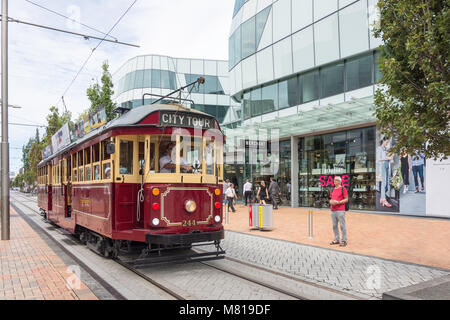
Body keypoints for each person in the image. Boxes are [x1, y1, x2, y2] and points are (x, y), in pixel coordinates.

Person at [329, 176, 348, 247]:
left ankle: (344, 240)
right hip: (333, 210)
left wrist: (338, 202)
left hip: (340, 210)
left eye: (336, 180)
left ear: (339, 181)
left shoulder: (343, 189)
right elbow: (331, 199)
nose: (334, 181)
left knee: (342, 225)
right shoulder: (332, 189)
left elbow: (346, 199)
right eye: (334, 180)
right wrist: (331, 201)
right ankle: (336, 239)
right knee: (334, 225)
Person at [378, 136, 393, 207]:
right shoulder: (379, 148)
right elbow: (379, 159)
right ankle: (383, 199)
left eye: (388, 142)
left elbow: (389, 157)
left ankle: (382, 197)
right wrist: (387, 158)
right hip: (383, 165)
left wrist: (391, 159)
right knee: (384, 183)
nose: (387, 143)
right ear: (383, 141)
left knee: (387, 183)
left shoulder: (386, 149)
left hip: (387, 165)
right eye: (386, 142)